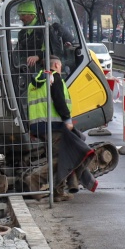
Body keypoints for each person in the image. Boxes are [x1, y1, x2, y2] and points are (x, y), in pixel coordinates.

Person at [26, 58, 96, 200]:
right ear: (57, 65)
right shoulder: (53, 77)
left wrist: (32, 129)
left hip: (39, 126)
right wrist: (67, 119)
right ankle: (35, 178)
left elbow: (32, 106)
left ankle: (58, 192)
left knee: (58, 157)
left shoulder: (34, 81)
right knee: (62, 158)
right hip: (54, 125)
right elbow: (58, 100)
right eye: (60, 65)